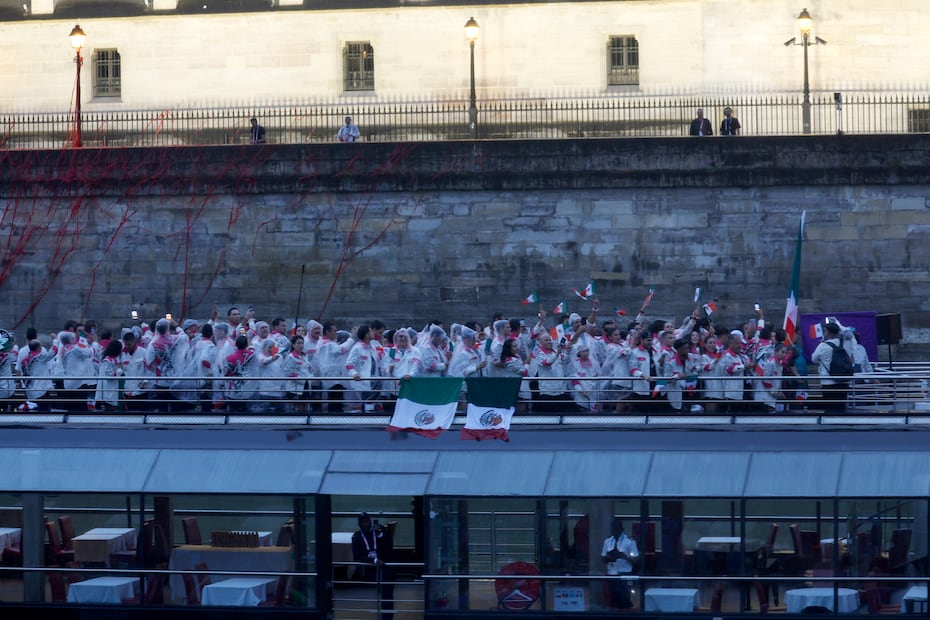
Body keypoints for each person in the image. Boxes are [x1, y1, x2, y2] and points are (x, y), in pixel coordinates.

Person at [351, 512, 394, 620]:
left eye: (367, 521)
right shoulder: (357, 537)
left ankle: (387, 617)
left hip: (384, 567)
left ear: (370, 521)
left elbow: (389, 547)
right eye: (363, 522)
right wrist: (374, 560)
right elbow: (357, 557)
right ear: (359, 524)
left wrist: (382, 534)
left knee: (387, 591)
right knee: (382, 588)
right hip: (369, 569)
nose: (365, 524)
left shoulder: (378, 532)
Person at [601, 518, 638, 610]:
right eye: (613, 528)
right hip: (611, 573)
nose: (614, 531)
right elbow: (603, 557)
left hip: (624, 573)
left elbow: (636, 560)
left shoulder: (629, 542)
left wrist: (624, 556)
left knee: (624, 601)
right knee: (612, 601)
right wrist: (610, 557)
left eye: (616, 528)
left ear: (621, 529)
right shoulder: (608, 541)